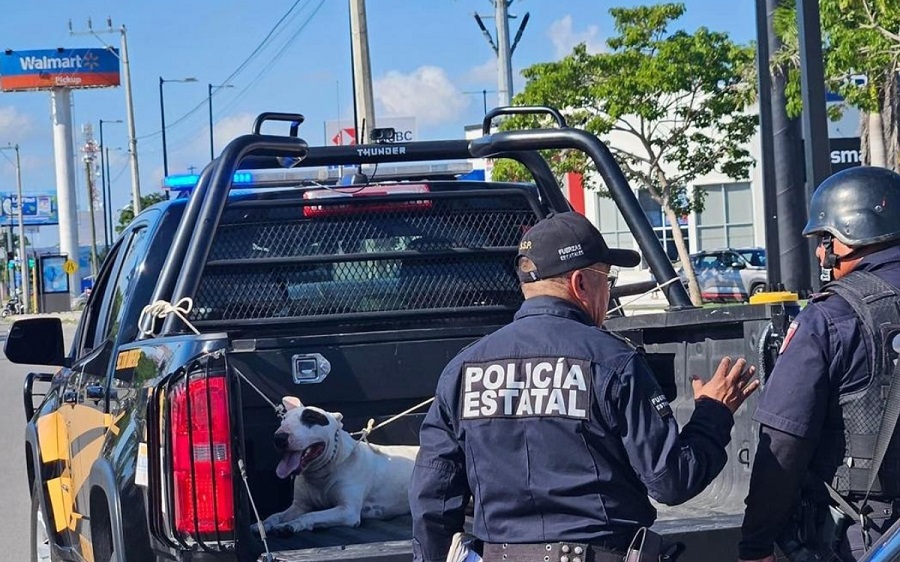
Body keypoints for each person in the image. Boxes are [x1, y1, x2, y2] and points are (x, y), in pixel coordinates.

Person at [409, 211, 759, 562]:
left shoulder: (463, 370)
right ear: (580, 283)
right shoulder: (613, 362)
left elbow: (432, 498)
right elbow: (672, 480)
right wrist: (714, 413)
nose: (609, 291)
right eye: (607, 280)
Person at [739, 166, 900, 562]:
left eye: (825, 238)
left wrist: (755, 545)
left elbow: (784, 444)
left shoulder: (830, 317)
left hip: (868, 533)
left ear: (852, 234)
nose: (819, 251)